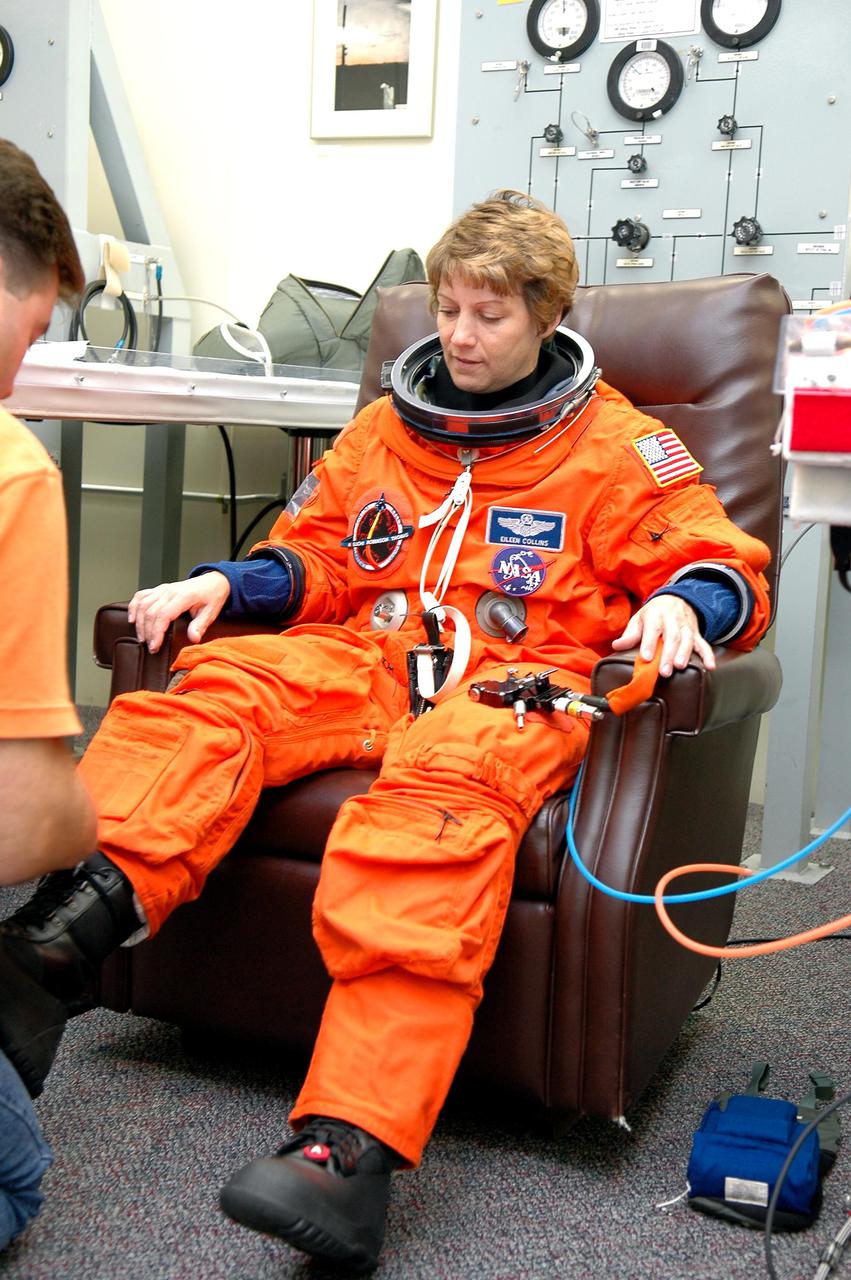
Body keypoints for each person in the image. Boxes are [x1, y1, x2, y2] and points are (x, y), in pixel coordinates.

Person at [0, 190, 772, 1271]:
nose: (455, 334)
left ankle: (343, 1150)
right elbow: (316, 553)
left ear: (545, 315)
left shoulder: (617, 448)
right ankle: (50, 952)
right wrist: (222, 581)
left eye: (486, 316)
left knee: (426, 814)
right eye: (447, 308)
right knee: (211, 692)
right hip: (368, 653)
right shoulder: (384, 431)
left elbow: (721, 560)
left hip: (513, 685)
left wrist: (683, 602)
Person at [0, 137, 92, 1248]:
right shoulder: (14, 469)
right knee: (16, 1182)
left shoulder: (615, 448)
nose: (22, 371)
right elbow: (24, 821)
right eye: (28, 333)